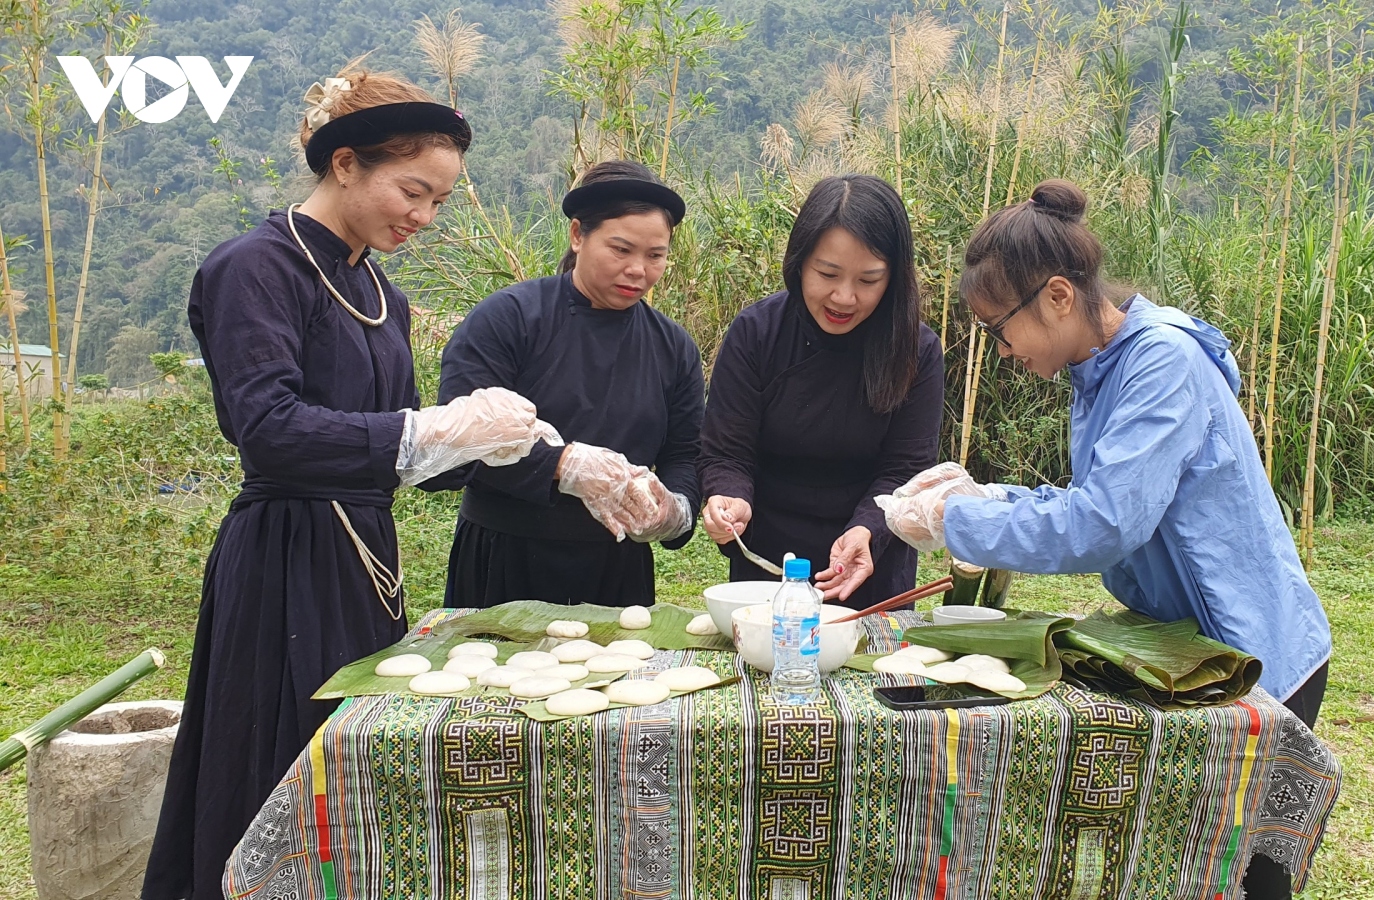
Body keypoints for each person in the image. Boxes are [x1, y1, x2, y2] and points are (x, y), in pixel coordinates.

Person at [143, 69, 550, 900]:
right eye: (413, 190)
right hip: (285, 558)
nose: (424, 217)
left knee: (356, 769)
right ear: (344, 164)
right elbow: (268, 428)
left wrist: (534, 454)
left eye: (438, 201)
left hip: (367, 561)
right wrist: (430, 429)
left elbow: (403, 448)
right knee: (280, 761)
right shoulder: (254, 268)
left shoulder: (380, 294)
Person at [878, 179, 1331, 900]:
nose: (1000, 350)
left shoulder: (1162, 363)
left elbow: (1105, 525)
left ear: (1058, 296)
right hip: (1176, 644)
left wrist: (954, 522)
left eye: (999, 329)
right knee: (1175, 863)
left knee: (1240, 877)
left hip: (1248, 650)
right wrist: (989, 497)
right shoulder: (1099, 372)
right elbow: (1101, 501)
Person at [437, 160, 704, 607]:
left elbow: (686, 451)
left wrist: (675, 509)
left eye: (655, 255)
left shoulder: (673, 347)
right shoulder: (509, 319)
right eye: (621, 250)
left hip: (616, 566)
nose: (639, 269)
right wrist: (561, 465)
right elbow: (455, 443)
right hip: (505, 557)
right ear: (578, 235)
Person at [698, 175, 943, 608]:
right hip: (769, 572)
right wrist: (728, 495)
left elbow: (905, 469)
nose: (844, 297)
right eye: (827, 273)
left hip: (871, 564)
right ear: (799, 262)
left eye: (869, 280)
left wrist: (868, 528)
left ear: (893, 278)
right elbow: (727, 451)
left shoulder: (916, 349)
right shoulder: (756, 333)